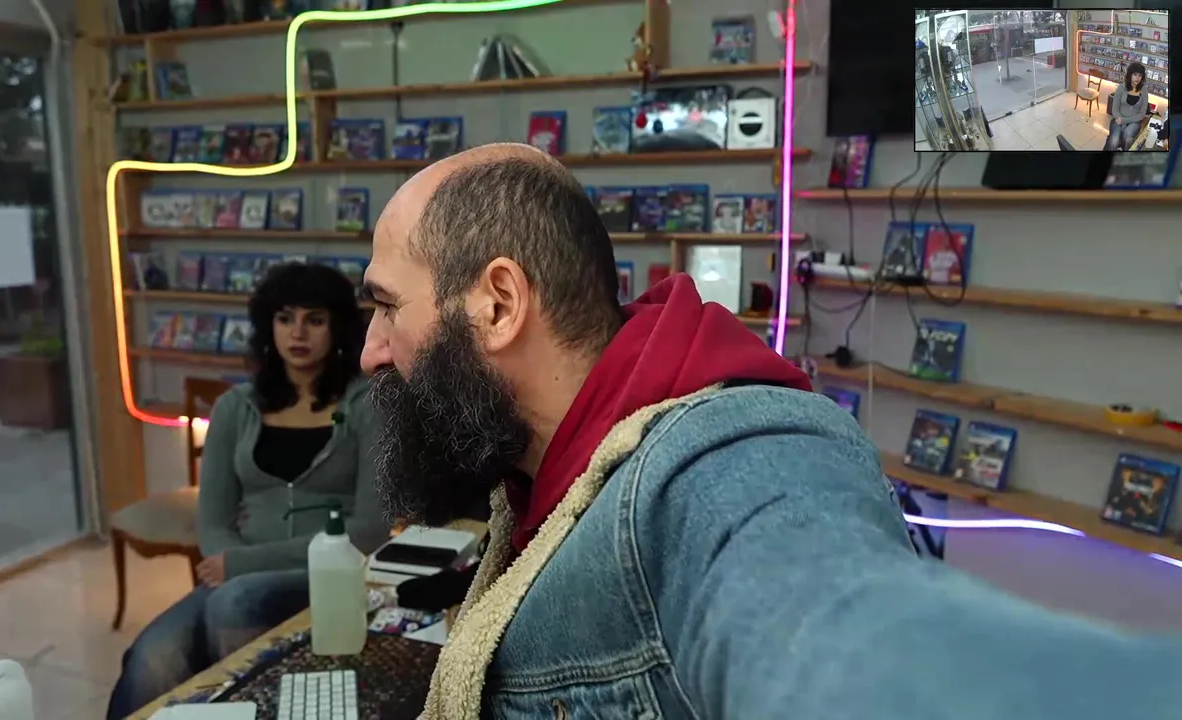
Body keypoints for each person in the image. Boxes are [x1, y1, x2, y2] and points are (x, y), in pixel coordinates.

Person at [360, 143, 1182, 719]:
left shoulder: (724, 466)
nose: (370, 351)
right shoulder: (547, 462)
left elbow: (844, 632)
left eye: (387, 306)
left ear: (498, 304)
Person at [107, 262, 390, 719]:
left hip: (330, 573)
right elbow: (214, 522)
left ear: (337, 327)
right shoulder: (234, 407)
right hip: (235, 574)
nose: (298, 332)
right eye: (285, 318)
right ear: (267, 326)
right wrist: (233, 564)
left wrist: (240, 564)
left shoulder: (367, 405)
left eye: (314, 320)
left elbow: (369, 530)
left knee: (234, 603)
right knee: (151, 658)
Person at [1104, 61, 1150, 151]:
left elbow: (1141, 114)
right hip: (1118, 118)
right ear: (1130, 75)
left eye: (1140, 75)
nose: (1137, 78)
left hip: (1134, 121)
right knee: (1114, 140)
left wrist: (1124, 121)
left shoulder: (1144, 90)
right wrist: (1121, 120)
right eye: (1135, 74)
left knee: (1128, 136)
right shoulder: (1121, 87)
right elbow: (1115, 109)